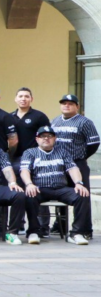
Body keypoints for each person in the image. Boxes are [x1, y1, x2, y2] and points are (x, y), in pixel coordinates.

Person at [19, 125, 91, 246]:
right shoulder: (30, 152)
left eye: (49, 136)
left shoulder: (62, 152)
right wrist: (29, 184)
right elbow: (24, 170)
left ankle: (76, 233)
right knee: (29, 196)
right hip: (40, 189)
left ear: (55, 139)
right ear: (37, 139)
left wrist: (78, 183)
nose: (46, 139)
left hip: (61, 188)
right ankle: (33, 231)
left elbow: (73, 168)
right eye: (43, 136)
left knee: (82, 195)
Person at [51, 94, 98, 238]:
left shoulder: (85, 122)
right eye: (64, 103)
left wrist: (82, 157)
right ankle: (60, 226)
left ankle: (84, 230)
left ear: (77, 106)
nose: (67, 105)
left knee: (82, 195)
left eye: (70, 103)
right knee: (61, 194)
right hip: (59, 165)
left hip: (77, 163)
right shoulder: (55, 121)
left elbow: (93, 143)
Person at [10, 87, 49, 161]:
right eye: (20, 96)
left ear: (31, 99)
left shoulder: (40, 116)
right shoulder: (9, 117)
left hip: (35, 157)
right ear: (15, 99)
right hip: (14, 158)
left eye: (27, 96)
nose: (23, 99)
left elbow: (47, 136)